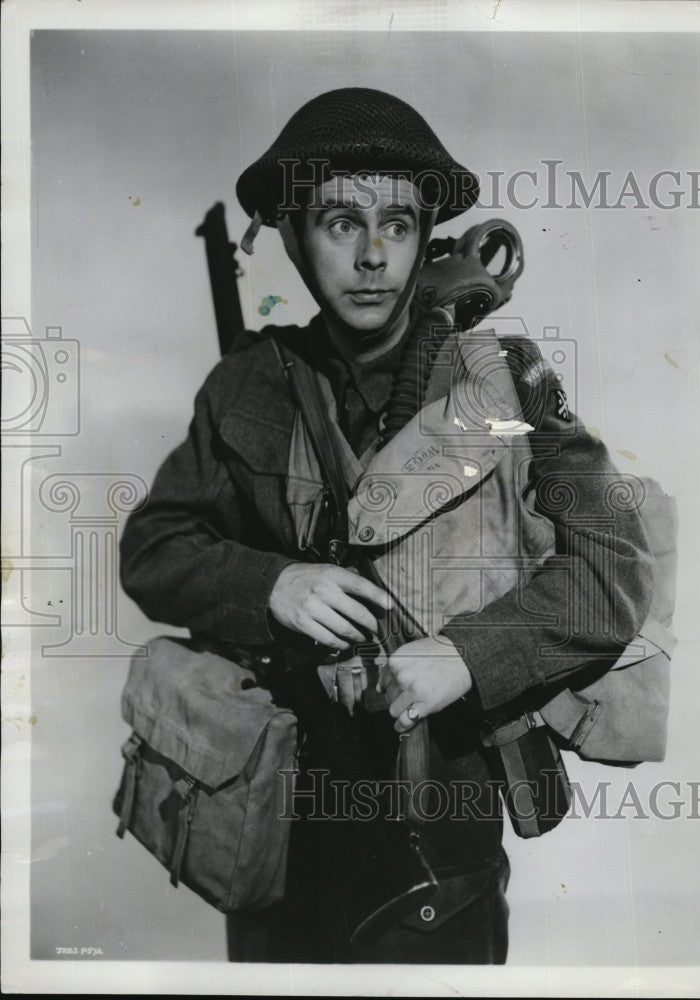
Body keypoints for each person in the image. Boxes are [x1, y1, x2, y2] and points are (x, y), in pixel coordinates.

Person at [119, 87, 653, 964]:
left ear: (423, 237)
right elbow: (154, 548)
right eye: (339, 223)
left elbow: (617, 566)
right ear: (292, 236)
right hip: (272, 824)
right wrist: (272, 585)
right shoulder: (247, 387)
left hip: (439, 833)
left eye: (397, 226)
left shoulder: (501, 382)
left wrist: (471, 654)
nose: (371, 257)